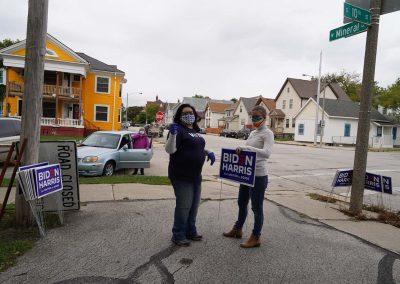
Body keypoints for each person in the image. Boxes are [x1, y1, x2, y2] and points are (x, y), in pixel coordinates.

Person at [223, 105, 274, 248]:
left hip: (259, 175)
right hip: (246, 174)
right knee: (241, 202)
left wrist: (247, 148)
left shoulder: (268, 133)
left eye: (258, 117)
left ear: (264, 118)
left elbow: (267, 153)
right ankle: (238, 228)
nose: (255, 119)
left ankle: (256, 236)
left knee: (256, 208)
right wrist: (240, 150)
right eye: (253, 117)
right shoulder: (252, 133)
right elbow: (247, 152)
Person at [165, 104, 215, 246]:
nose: (189, 115)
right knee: (184, 206)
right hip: (181, 175)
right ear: (180, 116)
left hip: (195, 176)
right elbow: (170, 150)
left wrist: (208, 151)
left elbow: (196, 147)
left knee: (194, 206)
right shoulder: (178, 130)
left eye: (191, 112)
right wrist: (173, 134)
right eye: (185, 113)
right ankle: (178, 234)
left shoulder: (195, 130)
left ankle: (190, 231)